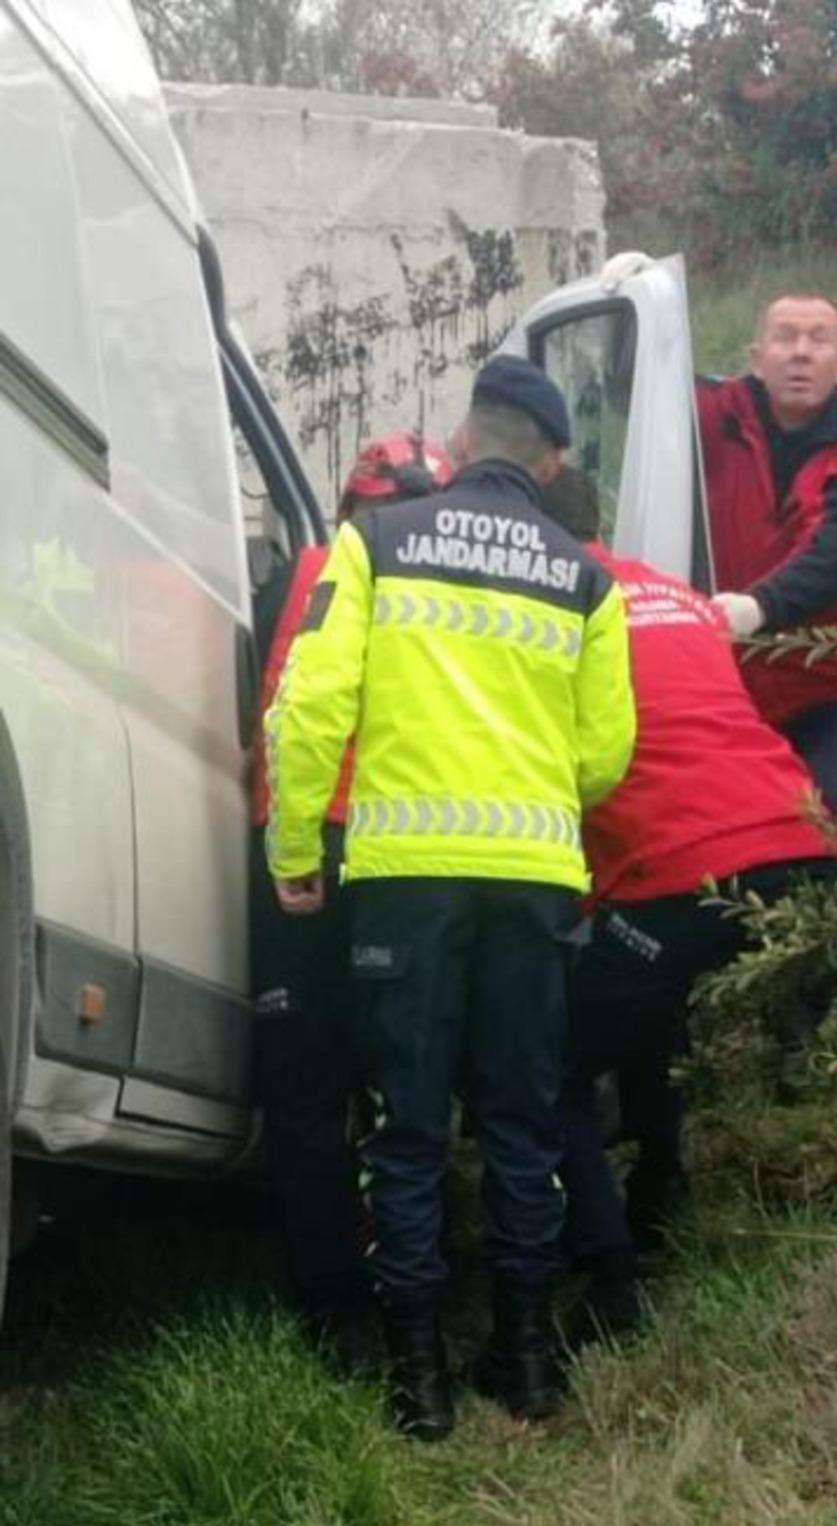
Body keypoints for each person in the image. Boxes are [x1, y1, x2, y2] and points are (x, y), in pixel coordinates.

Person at [265, 357, 637, 1440]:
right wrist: (531, 793)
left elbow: (310, 705)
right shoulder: (587, 578)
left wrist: (296, 847)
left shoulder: (374, 543)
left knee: (408, 1124)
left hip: (404, 886)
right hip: (532, 886)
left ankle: (417, 1379)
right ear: (553, 461)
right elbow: (607, 753)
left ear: (461, 443)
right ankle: (522, 1359)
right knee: (521, 1122)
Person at [538, 466, 837, 1341]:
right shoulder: (669, 593)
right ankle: (660, 1192)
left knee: (551, 1060)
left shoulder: (554, 601)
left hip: (691, 864)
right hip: (806, 842)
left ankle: (611, 1285)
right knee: (645, 1004)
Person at [249, 433, 453, 1373]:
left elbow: (290, 713)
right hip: (405, 850)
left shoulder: (315, 570)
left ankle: (334, 1312)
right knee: (406, 1074)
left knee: (304, 1082)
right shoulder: (452, 593)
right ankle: (417, 1281)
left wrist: (287, 843)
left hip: (312, 839)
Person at [601, 254, 837, 815]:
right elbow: (631, 388)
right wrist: (631, 303)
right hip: (729, 682)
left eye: (818, 340)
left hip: (834, 683)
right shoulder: (719, 412)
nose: (800, 351)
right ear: (757, 358)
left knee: (823, 821)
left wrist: (756, 608)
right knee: (723, 830)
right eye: (785, 337)